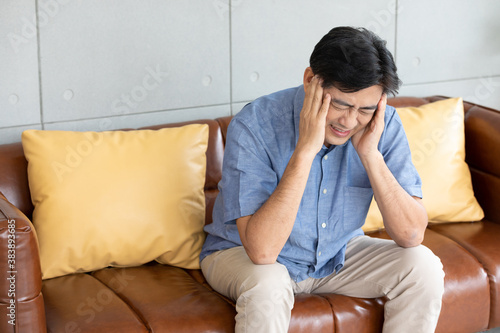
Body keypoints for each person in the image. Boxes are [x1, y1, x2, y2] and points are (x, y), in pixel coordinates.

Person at [200, 26, 445, 333]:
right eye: (340, 104)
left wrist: (370, 155)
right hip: (242, 255)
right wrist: (305, 151)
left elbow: (410, 235)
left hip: (336, 253)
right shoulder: (256, 123)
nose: (349, 121)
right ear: (310, 81)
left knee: (423, 266)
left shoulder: (382, 125)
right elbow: (262, 252)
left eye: (365, 109)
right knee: (268, 283)